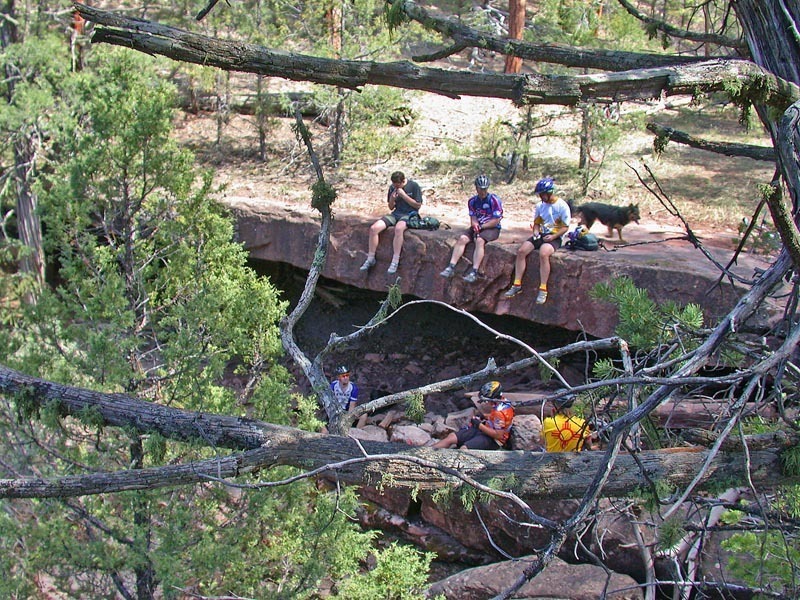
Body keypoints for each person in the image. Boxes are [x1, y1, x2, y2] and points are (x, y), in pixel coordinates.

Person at [503, 177, 571, 304]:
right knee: (522, 251)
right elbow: (537, 223)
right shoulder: (540, 206)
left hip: (554, 236)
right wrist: (535, 231)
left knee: (544, 253)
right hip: (541, 234)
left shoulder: (562, 206)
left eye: (543, 194)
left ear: (549, 192)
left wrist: (553, 237)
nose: (541, 197)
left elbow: (565, 227)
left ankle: (543, 288)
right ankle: (517, 284)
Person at [440, 175, 504, 283]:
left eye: (484, 189)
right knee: (462, 239)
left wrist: (482, 227)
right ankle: (451, 266)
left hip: (491, 227)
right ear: (476, 188)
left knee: (479, 240)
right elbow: (473, 217)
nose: (482, 192)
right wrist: (474, 225)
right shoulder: (472, 201)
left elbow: (496, 220)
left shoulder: (494, 200)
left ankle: (474, 271)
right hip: (478, 225)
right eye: (480, 189)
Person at [360, 171, 424, 275]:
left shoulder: (413, 186)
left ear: (403, 181)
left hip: (410, 214)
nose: (395, 186)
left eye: (398, 185)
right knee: (374, 228)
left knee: (399, 229)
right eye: (394, 185)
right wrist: (392, 199)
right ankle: (371, 258)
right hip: (396, 213)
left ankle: (395, 260)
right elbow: (391, 207)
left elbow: (417, 205)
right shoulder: (392, 188)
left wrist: (404, 196)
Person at [433, 381, 514, 449]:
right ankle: (425, 452)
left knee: (464, 448)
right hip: (485, 430)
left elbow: (498, 435)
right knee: (451, 437)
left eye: (486, 400)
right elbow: (496, 420)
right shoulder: (501, 403)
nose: (486, 403)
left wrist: (479, 425)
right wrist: (484, 418)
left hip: (493, 440)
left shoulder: (500, 412)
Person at [324, 365, 366, 430]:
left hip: (347, 410)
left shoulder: (353, 388)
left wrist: (347, 420)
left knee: (364, 416)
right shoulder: (333, 386)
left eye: (347, 375)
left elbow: (352, 405)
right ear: (338, 377)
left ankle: (357, 433)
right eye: (343, 376)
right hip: (335, 410)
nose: (346, 378)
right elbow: (329, 402)